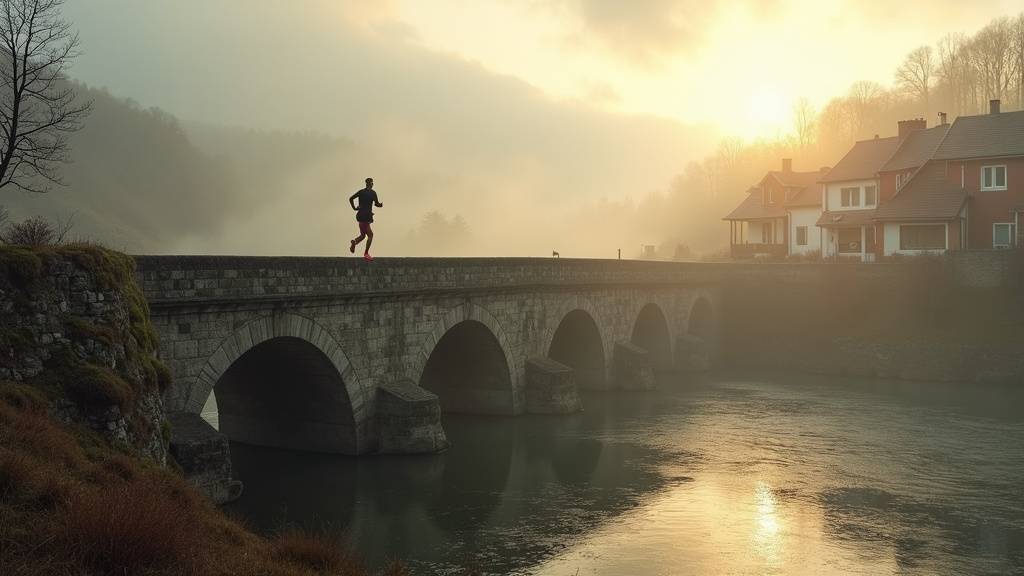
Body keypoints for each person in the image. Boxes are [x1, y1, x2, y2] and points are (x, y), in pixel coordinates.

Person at [349, 177, 383, 261]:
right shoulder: (373, 193)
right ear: (369, 184)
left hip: (360, 215)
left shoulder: (361, 192)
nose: (372, 184)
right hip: (366, 216)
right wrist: (381, 205)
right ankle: (366, 253)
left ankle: (354, 242)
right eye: (372, 183)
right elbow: (377, 204)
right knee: (370, 235)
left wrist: (354, 208)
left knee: (363, 235)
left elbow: (351, 198)